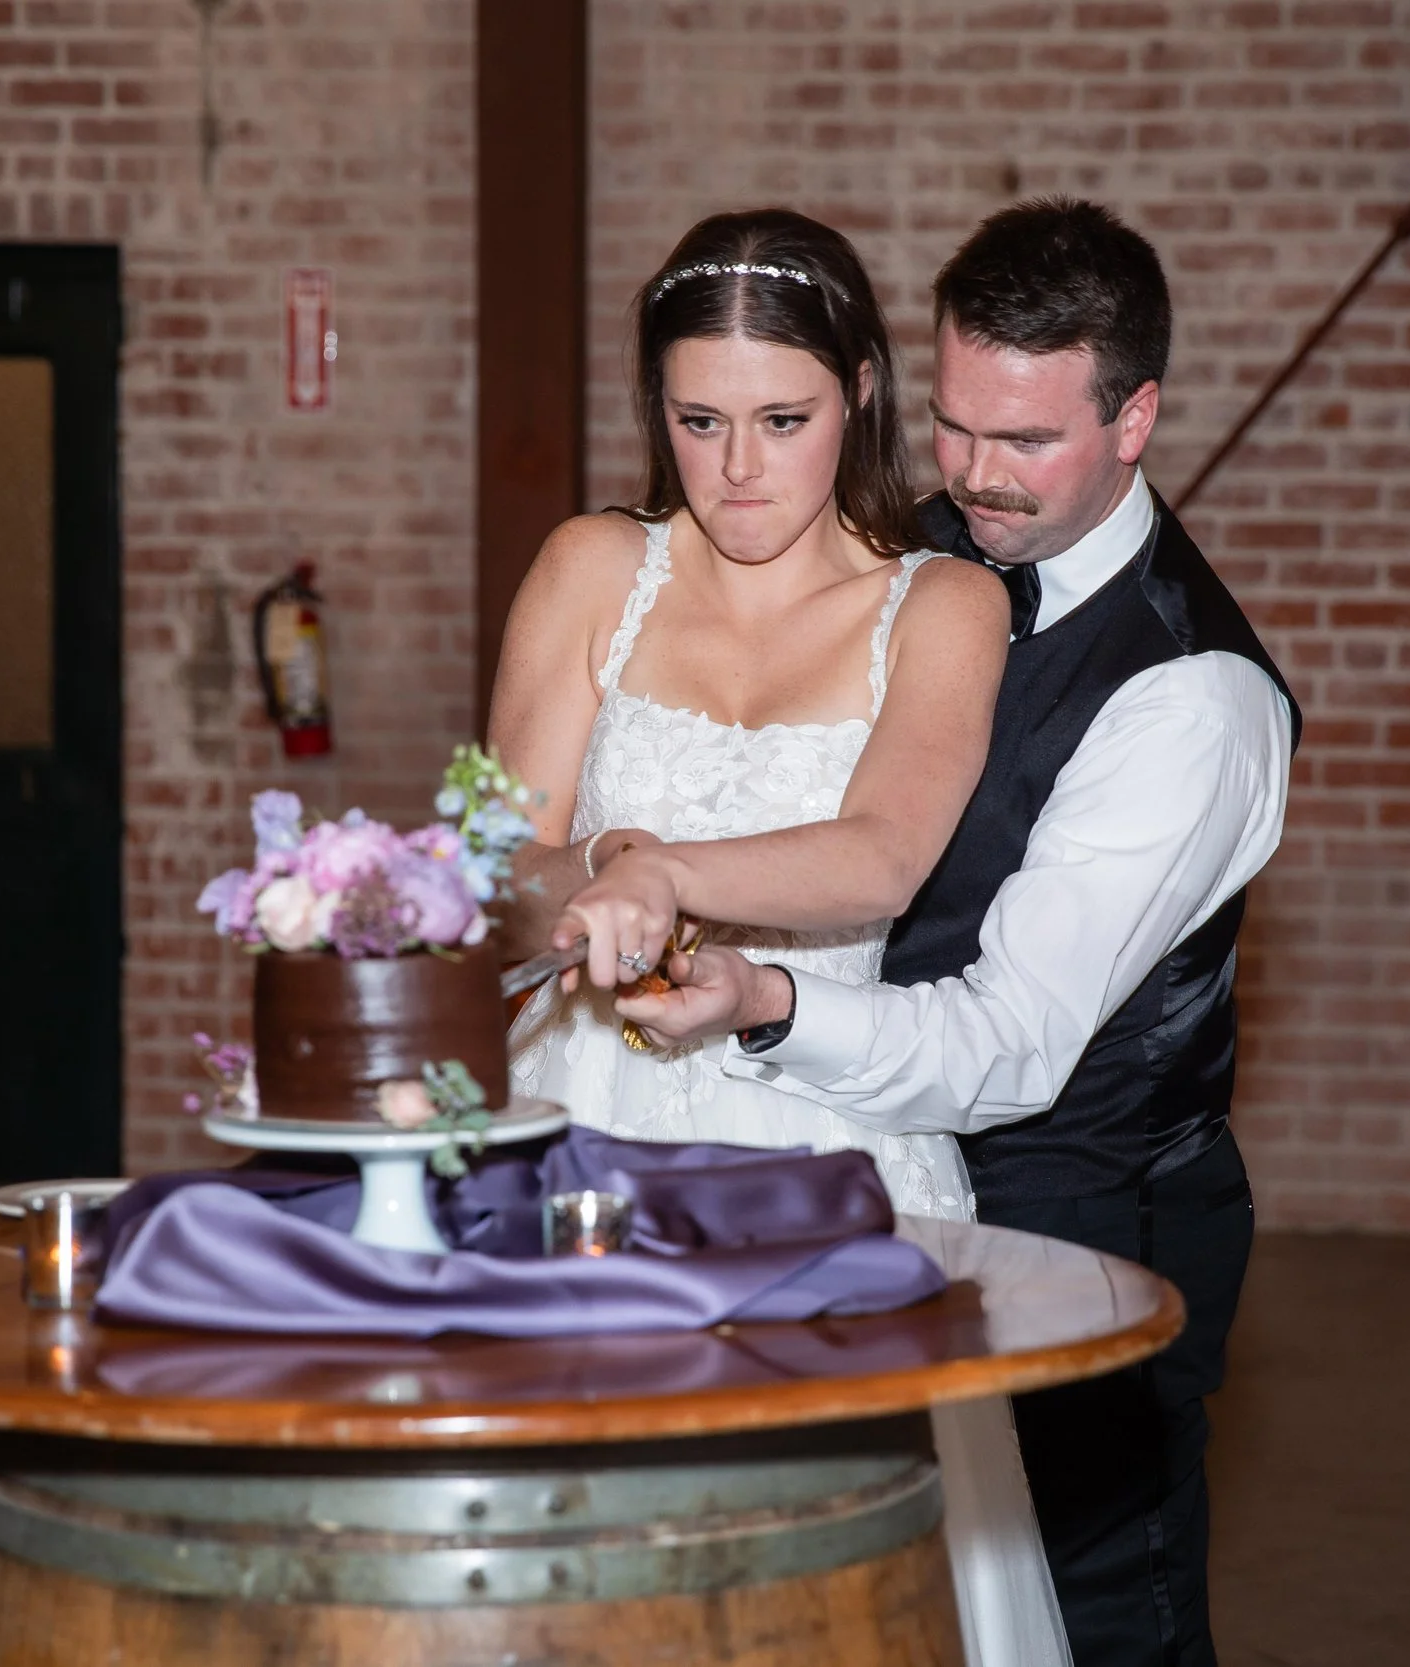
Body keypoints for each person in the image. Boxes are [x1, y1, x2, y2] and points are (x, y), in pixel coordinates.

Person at [590, 200, 1301, 1666]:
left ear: (1134, 418)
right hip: (867, 1189)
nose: (974, 477)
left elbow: (1010, 1042)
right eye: (958, 425)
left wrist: (765, 1000)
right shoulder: (915, 562)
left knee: (1087, 1612)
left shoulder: (1192, 700)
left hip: (1079, 1230)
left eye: (1026, 442)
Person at [488, 207, 1073, 1667]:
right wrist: (596, 864)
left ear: (864, 390)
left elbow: (883, 850)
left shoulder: (940, 604)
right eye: (699, 419)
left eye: (782, 417)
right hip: (576, 1135)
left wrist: (664, 867)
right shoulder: (589, 571)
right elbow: (495, 864)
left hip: (820, 1141)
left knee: (819, 1598)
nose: (739, 468)